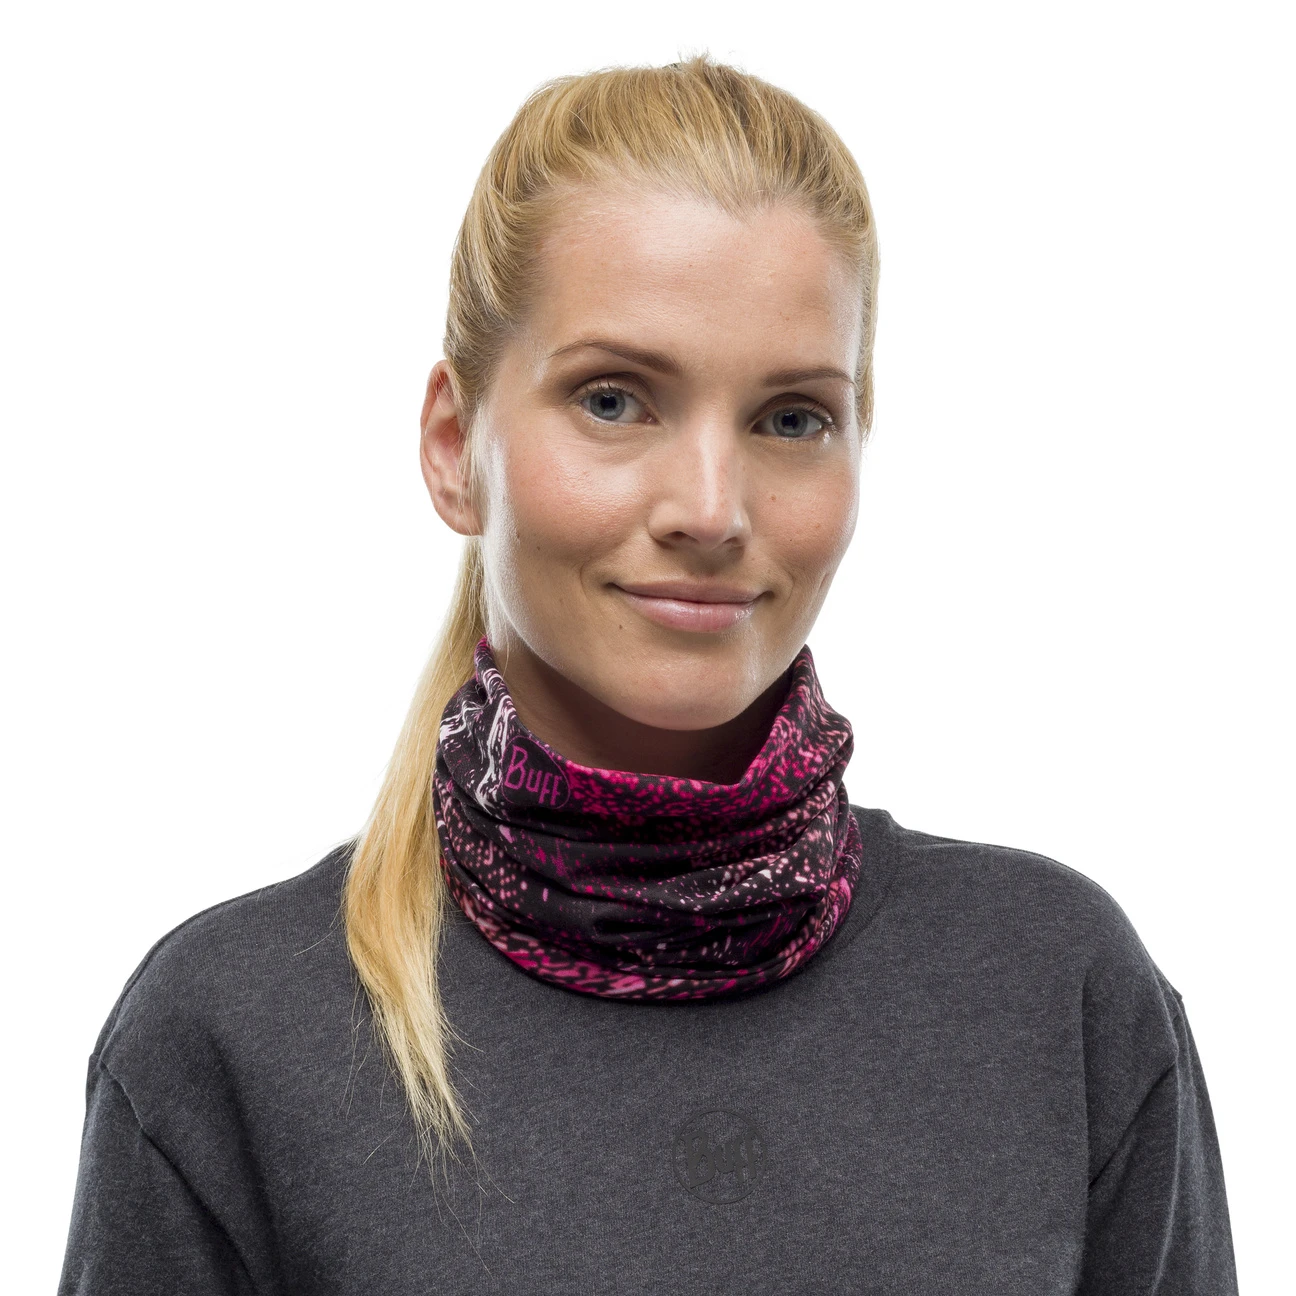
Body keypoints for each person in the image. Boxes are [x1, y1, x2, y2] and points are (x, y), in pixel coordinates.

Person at [58, 56, 1238, 1295]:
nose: (711, 509)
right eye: (615, 400)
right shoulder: (230, 1037)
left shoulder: (1058, 993)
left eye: (791, 418)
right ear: (456, 447)